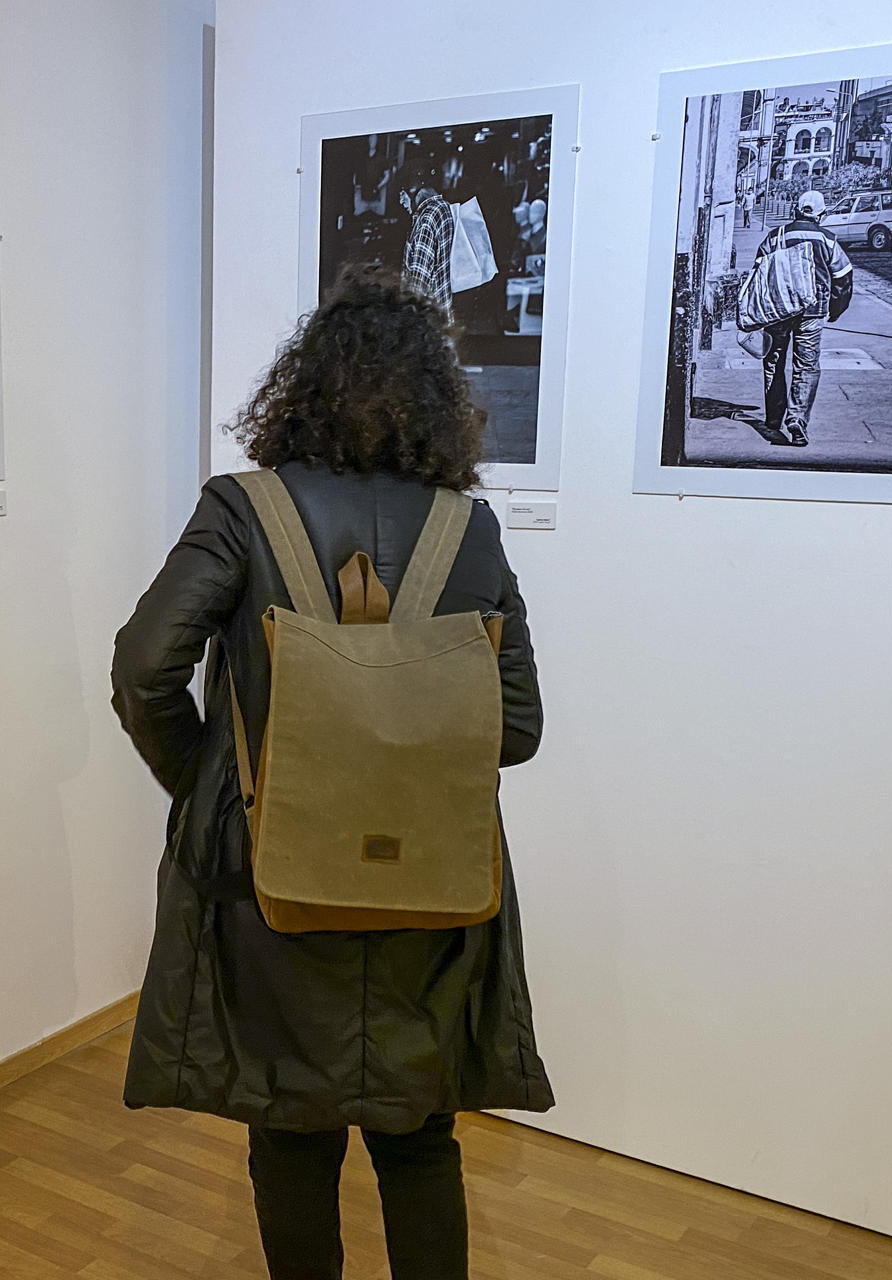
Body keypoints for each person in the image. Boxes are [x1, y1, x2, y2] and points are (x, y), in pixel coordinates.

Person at [110, 270, 552, 1280]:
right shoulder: (466, 529)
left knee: (291, 1133)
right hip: (433, 886)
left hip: (269, 876)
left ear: (298, 387)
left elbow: (145, 665)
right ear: (438, 401)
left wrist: (212, 783)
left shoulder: (242, 509)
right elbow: (517, 728)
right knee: (419, 1139)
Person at [749, 190, 853, 448]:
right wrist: (836, 308)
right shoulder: (828, 240)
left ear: (795, 210)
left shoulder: (776, 236)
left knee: (774, 361)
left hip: (778, 310)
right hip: (812, 310)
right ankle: (797, 420)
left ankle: (773, 418)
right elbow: (843, 277)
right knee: (806, 365)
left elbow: (759, 271)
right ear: (821, 214)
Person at [400, 169, 455, 323]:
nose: (401, 201)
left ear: (414, 192)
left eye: (402, 194)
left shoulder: (425, 220)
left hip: (427, 320)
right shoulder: (443, 207)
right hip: (443, 308)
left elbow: (418, 282)